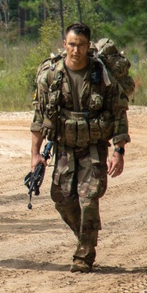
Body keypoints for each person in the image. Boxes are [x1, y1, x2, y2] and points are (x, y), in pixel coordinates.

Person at [30, 23, 130, 272]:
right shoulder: (50, 76)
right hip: (64, 147)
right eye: (72, 44)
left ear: (88, 46)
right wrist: (35, 155)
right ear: (64, 45)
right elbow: (39, 117)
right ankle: (86, 236)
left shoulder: (102, 76)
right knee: (62, 198)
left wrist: (118, 151)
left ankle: (83, 255)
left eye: (81, 45)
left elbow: (118, 114)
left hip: (93, 147)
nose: (76, 50)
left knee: (88, 199)